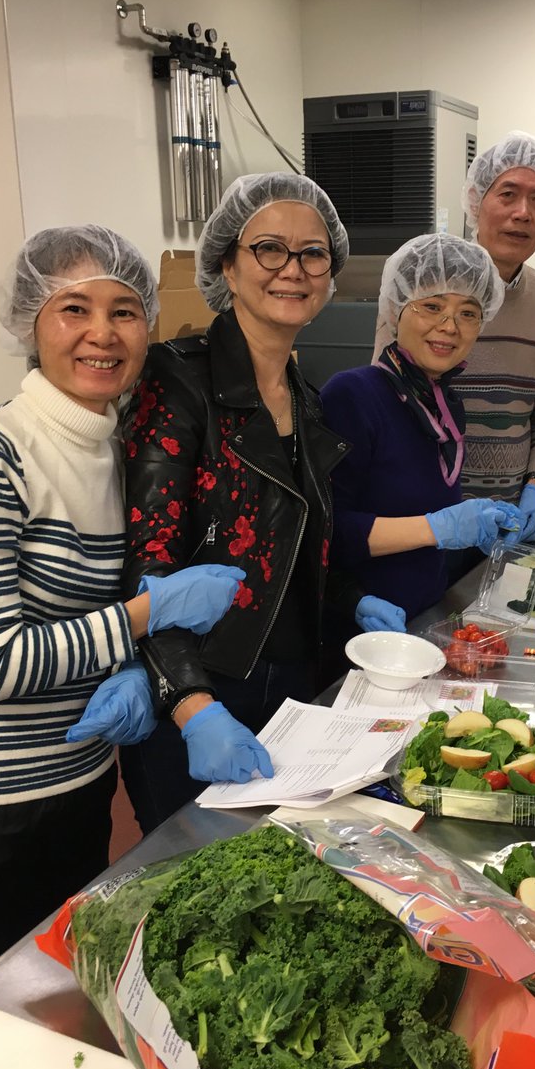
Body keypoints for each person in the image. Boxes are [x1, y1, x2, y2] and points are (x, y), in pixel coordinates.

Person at [0, 226, 244, 1002]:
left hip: (77, 787)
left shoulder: (112, 453)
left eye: (125, 310)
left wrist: (127, 672)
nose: (102, 334)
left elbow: (79, 613)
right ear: (30, 326)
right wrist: (146, 616)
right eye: (73, 309)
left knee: (64, 1001)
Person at [118, 173, 402, 835]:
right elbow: (149, 562)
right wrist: (193, 704)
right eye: (269, 249)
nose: (292, 270)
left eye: (312, 253)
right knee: (188, 878)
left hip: (295, 679)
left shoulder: (304, 393)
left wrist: (348, 597)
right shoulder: (177, 376)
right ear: (228, 264)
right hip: (204, 687)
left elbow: (294, 543)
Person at [373, 131, 535, 543]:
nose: (523, 213)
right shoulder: (423, 281)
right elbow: (385, 398)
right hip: (424, 521)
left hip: (510, 521)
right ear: (475, 201)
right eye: (507, 194)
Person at [320, 233, 520, 623]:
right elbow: (328, 530)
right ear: (396, 309)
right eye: (432, 306)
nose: (449, 326)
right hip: (365, 628)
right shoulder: (353, 395)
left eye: (468, 313)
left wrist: (474, 526)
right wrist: (438, 528)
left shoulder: (446, 403)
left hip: (427, 614)